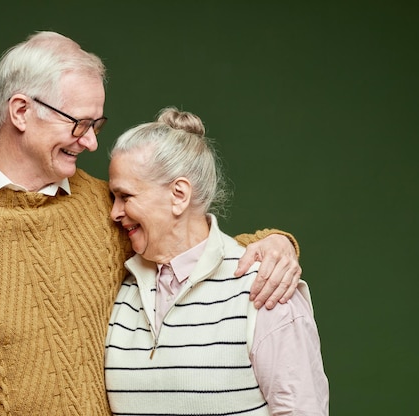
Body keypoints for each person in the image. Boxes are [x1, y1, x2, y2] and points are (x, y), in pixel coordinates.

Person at [0, 31, 303, 415]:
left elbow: (186, 242)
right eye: (79, 123)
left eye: (96, 125)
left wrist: (273, 243)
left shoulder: (103, 205)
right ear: (21, 111)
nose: (91, 141)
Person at [104, 107, 329, 415]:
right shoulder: (119, 289)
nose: (113, 212)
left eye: (125, 196)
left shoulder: (265, 288)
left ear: (179, 194)